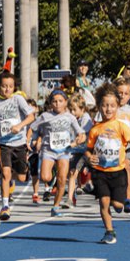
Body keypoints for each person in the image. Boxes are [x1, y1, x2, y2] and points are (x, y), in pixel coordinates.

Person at [85, 83, 130, 244]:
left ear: (118, 107)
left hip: (118, 172)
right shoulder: (95, 129)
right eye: (104, 106)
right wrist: (89, 157)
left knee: (118, 205)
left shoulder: (121, 127)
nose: (108, 109)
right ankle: (109, 232)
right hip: (100, 171)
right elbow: (88, 149)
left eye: (112, 106)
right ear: (98, 107)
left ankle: (118, 201)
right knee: (104, 202)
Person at [32, 89, 86, 217]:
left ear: (65, 102)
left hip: (64, 151)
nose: (57, 104)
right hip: (49, 150)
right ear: (50, 103)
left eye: (60, 101)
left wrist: (78, 140)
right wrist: (33, 140)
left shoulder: (70, 117)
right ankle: (52, 176)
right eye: (54, 101)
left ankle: (55, 207)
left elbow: (81, 133)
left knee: (62, 180)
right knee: (45, 177)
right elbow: (33, 127)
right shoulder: (45, 116)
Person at [0, 71, 36, 218]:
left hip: (20, 143)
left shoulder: (18, 100)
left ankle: (21, 172)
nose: (7, 89)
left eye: (10, 86)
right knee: (6, 173)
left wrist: (20, 126)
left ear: (14, 87)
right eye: (4, 86)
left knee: (22, 178)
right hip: (3, 144)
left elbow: (31, 116)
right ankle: (5, 206)